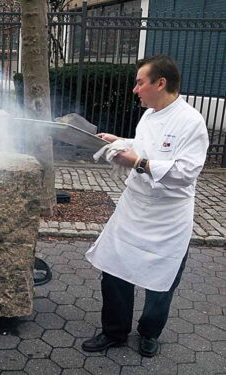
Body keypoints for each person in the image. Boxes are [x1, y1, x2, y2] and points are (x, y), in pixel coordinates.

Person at [81, 55, 209, 357]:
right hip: (134, 207)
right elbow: (145, 149)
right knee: (113, 268)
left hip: (168, 217)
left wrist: (136, 162)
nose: (135, 90)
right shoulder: (150, 115)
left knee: (162, 280)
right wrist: (121, 142)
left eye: (140, 82)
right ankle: (114, 332)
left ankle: (149, 332)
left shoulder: (192, 123)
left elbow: (185, 172)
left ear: (160, 83)